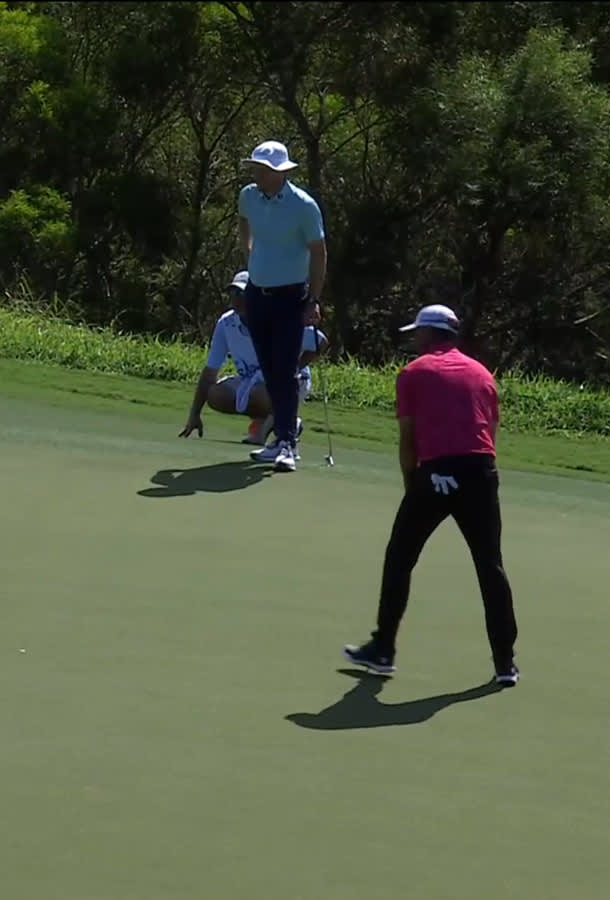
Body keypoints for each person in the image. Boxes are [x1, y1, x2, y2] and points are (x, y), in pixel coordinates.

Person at [341, 303, 519, 685]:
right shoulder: (482, 373)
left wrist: (414, 485)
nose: (414, 339)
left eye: (417, 332)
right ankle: (505, 664)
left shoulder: (413, 373)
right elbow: (490, 434)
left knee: (400, 557)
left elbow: (408, 439)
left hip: (436, 473)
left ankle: (383, 649)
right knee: (490, 566)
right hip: (481, 472)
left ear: (428, 334)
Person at [236, 139, 327, 473]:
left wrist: (313, 299)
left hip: (291, 297)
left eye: (264, 170)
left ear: (280, 173)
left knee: (285, 370)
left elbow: (319, 253)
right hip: (257, 295)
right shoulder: (248, 196)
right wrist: (249, 254)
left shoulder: (303, 205)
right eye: (256, 169)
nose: (257, 174)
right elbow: (243, 223)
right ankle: (281, 437)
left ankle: (287, 442)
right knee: (270, 369)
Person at [180, 269, 328, 446]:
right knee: (215, 394)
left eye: (242, 293)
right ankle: (272, 420)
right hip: (251, 381)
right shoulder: (226, 323)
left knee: (263, 393)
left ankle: (279, 424)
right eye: (233, 293)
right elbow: (210, 371)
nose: (237, 299)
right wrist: (194, 413)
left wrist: (295, 366)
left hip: (291, 381)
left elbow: (320, 342)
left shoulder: (275, 318)